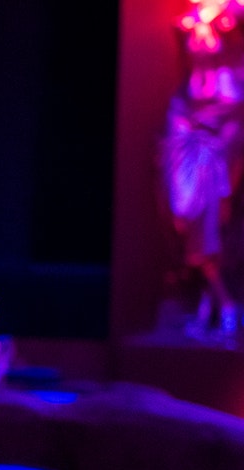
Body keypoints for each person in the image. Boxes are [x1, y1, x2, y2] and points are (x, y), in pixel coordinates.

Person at [161, 0, 244, 336]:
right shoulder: (189, 21)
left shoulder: (234, 15)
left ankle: (220, 305)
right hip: (187, 127)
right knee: (183, 212)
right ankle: (217, 303)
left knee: (213, 218)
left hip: (223, 123)